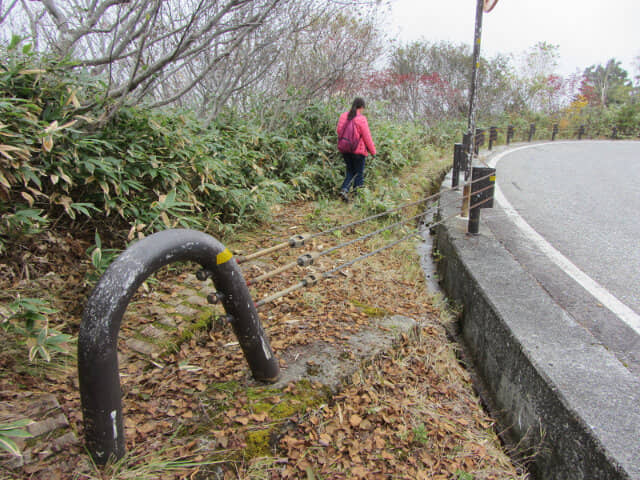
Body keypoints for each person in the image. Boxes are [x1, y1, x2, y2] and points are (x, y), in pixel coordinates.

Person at [336, 97, 376, 201]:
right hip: (358, 151)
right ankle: (358, 197)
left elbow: (339, 131)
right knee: (359, 173)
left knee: (350, 171)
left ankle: (344, 190)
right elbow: (367, 137)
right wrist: (373, 152)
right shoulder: (361, 119)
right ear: (361, 107)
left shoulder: (343, 116)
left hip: (345, 149)